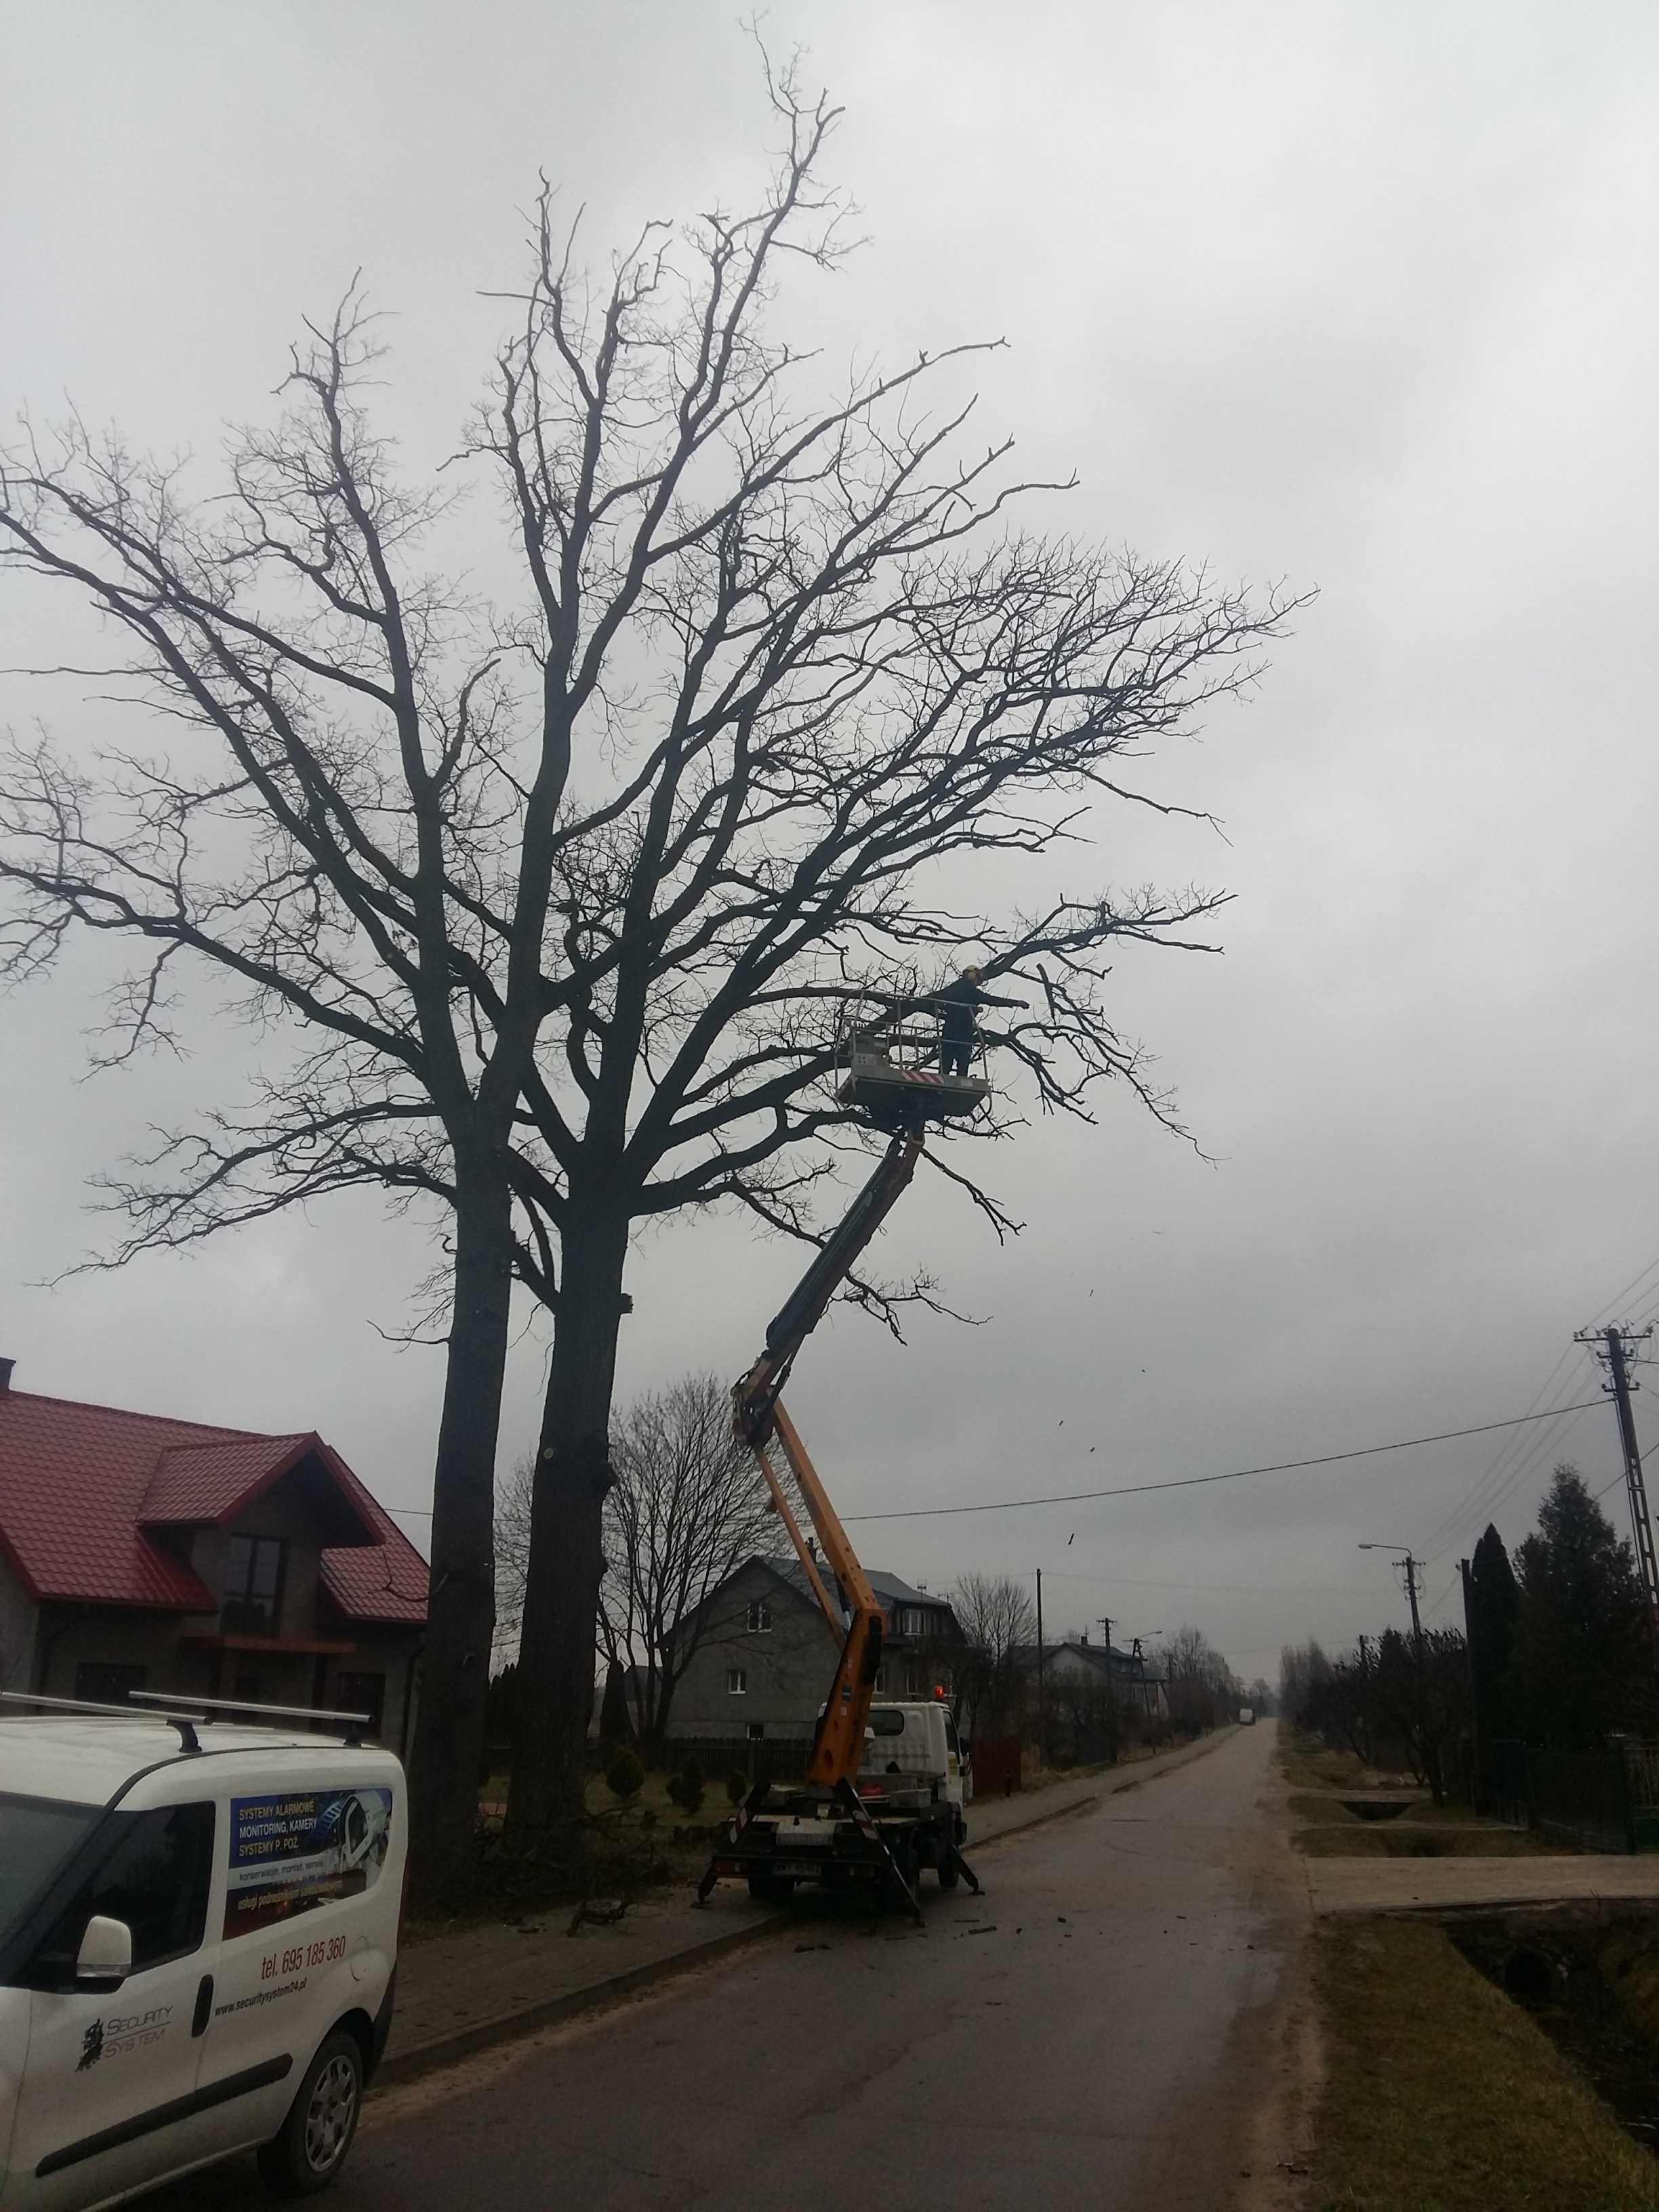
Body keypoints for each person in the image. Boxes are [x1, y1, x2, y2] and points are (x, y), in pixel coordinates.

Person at [934, 965, 1023, 1079]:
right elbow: (993, 1000)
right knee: (963, 1061)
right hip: (964, 1031)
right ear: (972, 975)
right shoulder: (973, 993)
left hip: (950, 1029)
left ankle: (943, 1079)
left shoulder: (953, 989)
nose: (978, 982)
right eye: (978, 979)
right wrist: (1016, 1003)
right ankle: (962, 1083)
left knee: (947, 1060)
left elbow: (942, 1000)